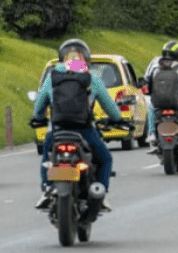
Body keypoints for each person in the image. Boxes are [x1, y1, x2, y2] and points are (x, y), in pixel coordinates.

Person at [31, 38, 123, 211]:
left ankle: (46, 189)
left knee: (46, 158)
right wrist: (117, 118)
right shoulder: (91, 78)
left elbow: (39, 106)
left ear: (62, 58)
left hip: (57, 131)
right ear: (86, 58)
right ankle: (100, 192)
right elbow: (110, 108)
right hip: (85, 131)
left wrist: (38, 117)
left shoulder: (53, 77)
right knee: (105, 158)